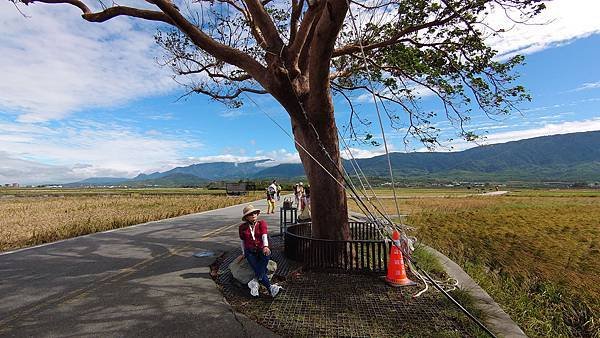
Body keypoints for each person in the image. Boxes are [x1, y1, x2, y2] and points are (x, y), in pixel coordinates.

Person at [237, 205, 281, 297]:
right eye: (250, 214)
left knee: (260, 268)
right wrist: (244, 253)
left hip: (262, 250)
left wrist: (265, 246)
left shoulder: (262, 223)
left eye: (255, 213)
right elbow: (242, 241)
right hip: (250, 252)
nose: (253, 215)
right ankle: (270, 288)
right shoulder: (242, 227)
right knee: (259, 270)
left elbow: (264, 235)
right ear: (246, 217)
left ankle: (254, 282)